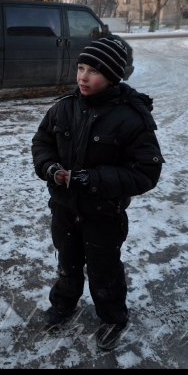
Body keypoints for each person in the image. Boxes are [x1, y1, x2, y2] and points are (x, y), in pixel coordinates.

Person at [31, 38, 164, 351]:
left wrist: (89, 179)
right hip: (64, 209)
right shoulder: (63, 107)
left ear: (113, 77)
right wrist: (49, 168)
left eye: (93, 71)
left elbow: (146, 172)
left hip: (103, 214)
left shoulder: (132, 118)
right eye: (81, 68)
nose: (83, 77)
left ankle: (113, 316)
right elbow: (41, 143)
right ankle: (64, 303)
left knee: (104, 270)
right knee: (67, 262)